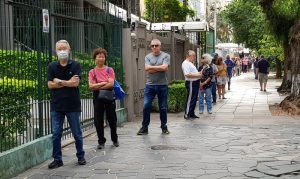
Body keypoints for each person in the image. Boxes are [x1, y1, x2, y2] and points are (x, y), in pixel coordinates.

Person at [47, 40, 86, 169]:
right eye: (59, 49)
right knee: (56, 134)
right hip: (57, 106)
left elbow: (75, 83)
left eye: (64, 48)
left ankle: (81, 156)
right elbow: (49, 85)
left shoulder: (75, 65)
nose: (62, 51)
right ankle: (57, 159)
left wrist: (58, 81)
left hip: (72, 105)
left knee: (77, 133)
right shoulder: (52, 66)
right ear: (56, 51)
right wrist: (66, 82)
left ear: (69, 50)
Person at [137, 39, 170, 135]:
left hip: (163, 85)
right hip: (150, 86)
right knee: (146, 106)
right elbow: (147, 69)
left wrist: (153, 67)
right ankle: (144, 128)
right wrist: (160, 67)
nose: (154, 47)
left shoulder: (166, 55)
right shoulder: (147, 57)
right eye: (152, 46)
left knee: (163, 107)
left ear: (160, 46)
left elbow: (165, 68)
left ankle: (164, 127)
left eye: (156, 45)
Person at [88, 48, 119, 149]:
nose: (101, 58)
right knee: (98, 119)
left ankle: (115, 139)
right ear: (95, 58)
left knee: (112, 118)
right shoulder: (92, 71)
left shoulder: (110, 70)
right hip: (97, 96)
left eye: (102, 56)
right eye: (98, 56)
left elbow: (111, 84)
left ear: (105, 58)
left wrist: (98, 85)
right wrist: (103, 83)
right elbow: (90, 86)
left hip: (109, 95)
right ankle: (101, 141)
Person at [181, 50, 202, 120]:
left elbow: (193, 73)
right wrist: (199, 74)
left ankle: (191, 113)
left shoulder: (190, 63)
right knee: (190, 98)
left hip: (195, 82)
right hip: (191, 82)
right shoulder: (185, 63)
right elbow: (187, 74)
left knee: (194, 98)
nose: (195, 57)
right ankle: (187, 114)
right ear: (188, 56)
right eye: (194, 56)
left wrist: (199, 73)